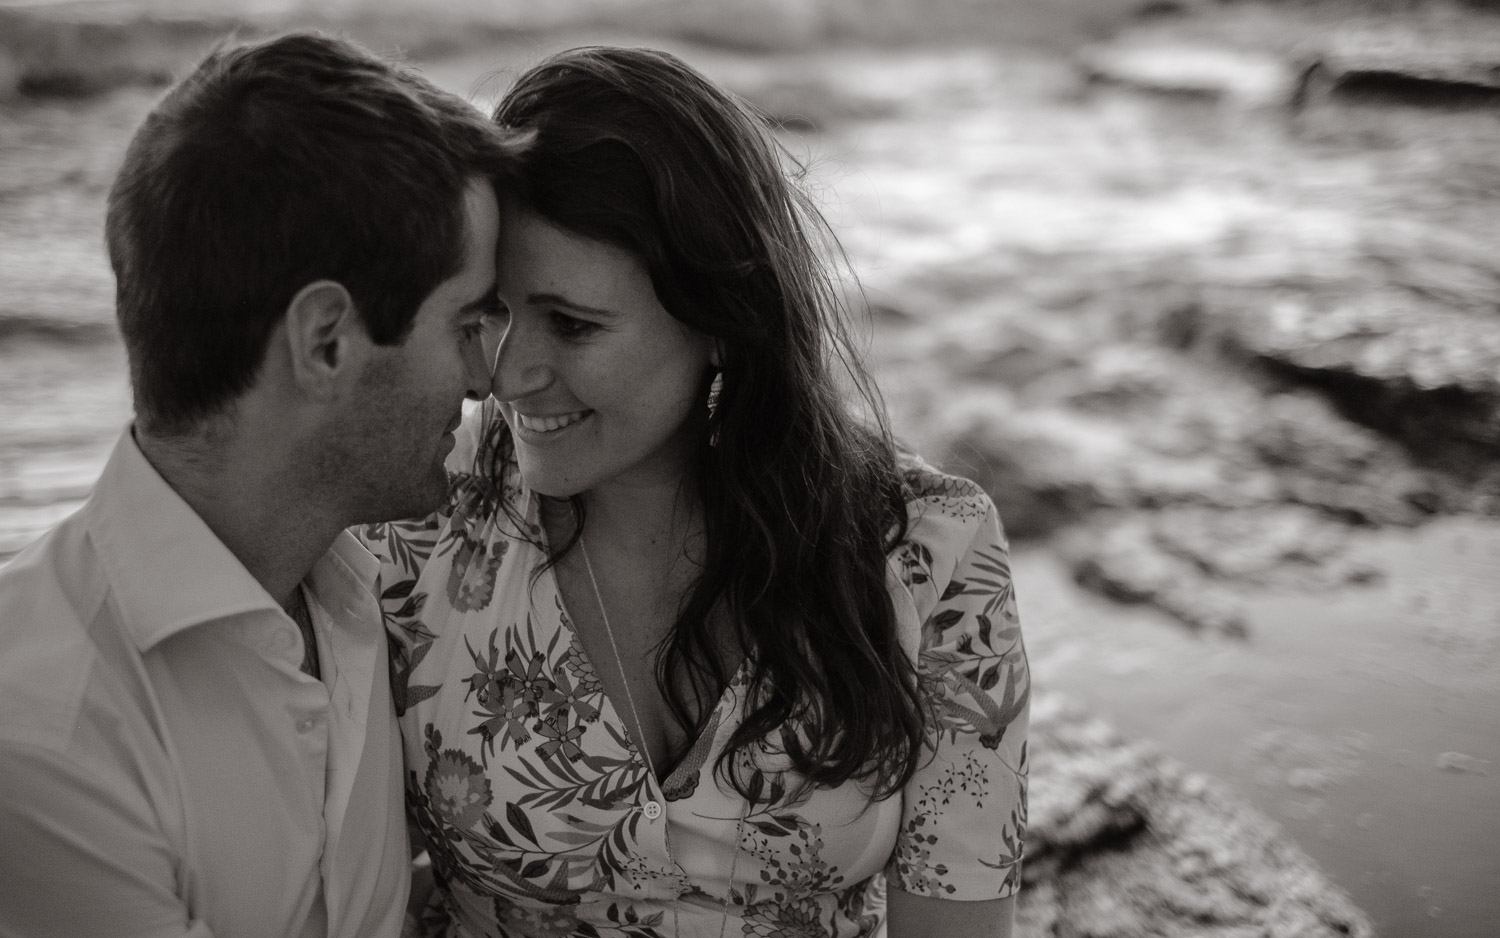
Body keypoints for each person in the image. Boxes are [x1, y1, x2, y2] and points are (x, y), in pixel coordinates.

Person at [362, 47, 1030, 938]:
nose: (506, 373)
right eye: (492, 311)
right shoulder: (411, 525)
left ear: (719, 318)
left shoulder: (927, 550)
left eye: (572, 323)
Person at [0, 32, 521, 938]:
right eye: (465, 324)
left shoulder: (367, 591)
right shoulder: (47, 727)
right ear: (326, 341)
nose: (487, 380)